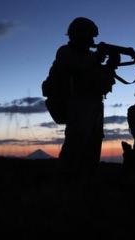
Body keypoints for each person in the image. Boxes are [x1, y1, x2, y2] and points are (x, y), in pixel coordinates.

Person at [45, 17, 120, 174]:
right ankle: (65, 187)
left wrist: (111, 66)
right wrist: (98, 57)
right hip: (78, 104)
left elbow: (103, 84)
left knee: (92, 149)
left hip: (94, 106)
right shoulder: (65, 52)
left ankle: (85, 186)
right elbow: (78, 68)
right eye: (89, 36)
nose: (92, 40)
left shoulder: (90, 57)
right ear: (77, 35)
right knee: (75, 147)